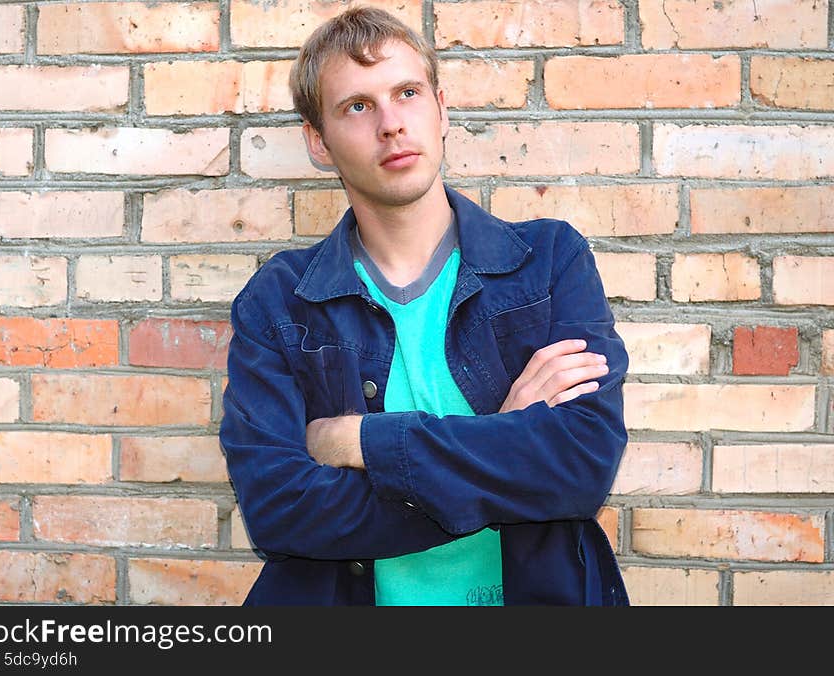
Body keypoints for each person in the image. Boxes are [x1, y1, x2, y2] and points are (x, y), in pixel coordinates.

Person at [220, 5, 629, 606]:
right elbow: (280, 510)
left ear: (441, 109)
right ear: (319, 141)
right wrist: (503, 444)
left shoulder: (546, 263)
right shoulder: (279, 303)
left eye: (407, 93)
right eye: (357, 106)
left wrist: (363, 443)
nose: (391, 123)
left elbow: (582, 465)